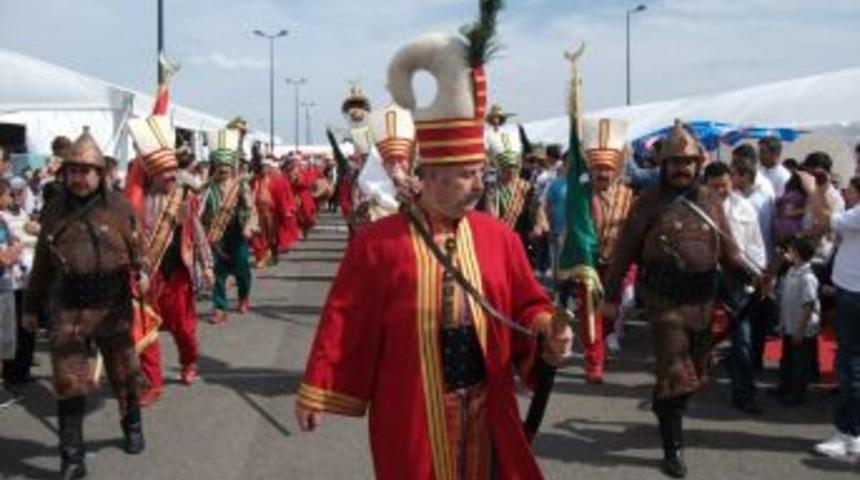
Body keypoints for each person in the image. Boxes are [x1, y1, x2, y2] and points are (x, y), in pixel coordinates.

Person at [295, 19, 573, 479]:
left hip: (487, 401)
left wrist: (546, 325)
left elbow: (527, 303)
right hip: (412, 408)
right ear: (430, 177)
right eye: (466, 175)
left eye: (480, 172)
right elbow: (343, 317)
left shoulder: (499, 237)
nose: (478, 185)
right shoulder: (378, 243)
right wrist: (317, 388)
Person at [601, 121, 752, 478]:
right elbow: (623, 253)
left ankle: (664, 404)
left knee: (696, 374)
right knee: (674, 372)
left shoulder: (710, 199)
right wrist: (610, 296)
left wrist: (749, 276)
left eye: (688, 162)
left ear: (698, 164)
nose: (682, 168)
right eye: (675, 162)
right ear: (664, 164)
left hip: (703, 300)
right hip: (663, 301)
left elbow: (728, 251)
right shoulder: (647, 202)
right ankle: (673, 448)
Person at [22, 127, 145, 478]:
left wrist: (144, 273)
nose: (77, 178)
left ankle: (132, 424)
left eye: (84, 171)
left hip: (112, 307)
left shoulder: (120, 207)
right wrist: (30, 307)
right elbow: (42, 264)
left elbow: (140, 250)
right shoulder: (53, 210)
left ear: (99, 173)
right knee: (69, 383)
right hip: (67, 309)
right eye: (72, 171)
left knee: (124, 374)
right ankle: (72, 457)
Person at [126, 115, 214, 406]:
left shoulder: (183, 198)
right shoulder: (136, 201)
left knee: (184, 329)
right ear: (152, 174)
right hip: (147, 275)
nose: (170, 177)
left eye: (172, 171)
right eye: (164, 173)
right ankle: (153, 383)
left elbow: (197, 233)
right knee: (147, 331)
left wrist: (207, 265)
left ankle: (189, 361)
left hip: (177, 275)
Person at [703, 161, 767, 414]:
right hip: (705, 275)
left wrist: (757, 274)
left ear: (732, 181)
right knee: (698, 332)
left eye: (724, 185)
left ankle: (744, 393)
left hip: (737, 277)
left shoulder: (744, 206)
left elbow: (755, 244)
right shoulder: (696, 207)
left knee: (743, 339)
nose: (721, 190)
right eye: (715, 186)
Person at [809, 174, 860, 460]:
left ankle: (846, 432)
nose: (847, 194)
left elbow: (825, 218)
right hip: (850, 291)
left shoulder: (856, 215)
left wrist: (817, 188)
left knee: (850, 366)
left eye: (850, 190)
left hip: (854, 294)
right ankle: (853, 433)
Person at [200, 128, 258, 324]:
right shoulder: (208, 187)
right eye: (220, 166)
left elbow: (250, 208)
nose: (223, 170)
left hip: (237, 233)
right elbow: (200, 211)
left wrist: (248, 226)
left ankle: (243, 297)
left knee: (242, 270)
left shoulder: (240, 185)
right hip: (216, 235)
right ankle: (219, 308)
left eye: (226, 166)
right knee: (218, 272)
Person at [1, 177, 38, 390]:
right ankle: (12, 373)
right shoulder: (2, 218)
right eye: (11, 193)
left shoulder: (23, 214)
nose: (16, 197)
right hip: (10, 282)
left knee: (26, 327)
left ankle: (22, 369)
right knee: (11, 330)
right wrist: (16, 249)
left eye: (20, 192)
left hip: (26, 280)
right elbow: (8, 252)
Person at [774, 235, 819, 406]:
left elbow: (808, 305)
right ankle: (784, 386)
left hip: (801, 329)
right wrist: (782, 323)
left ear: (798, 253)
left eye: (791, 250)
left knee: (799, 362)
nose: (788, 253)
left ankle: (797, 394)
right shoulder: (791, 271)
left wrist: (800, 330)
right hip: (789, 325)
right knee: (787, 359)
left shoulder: (808, 277)